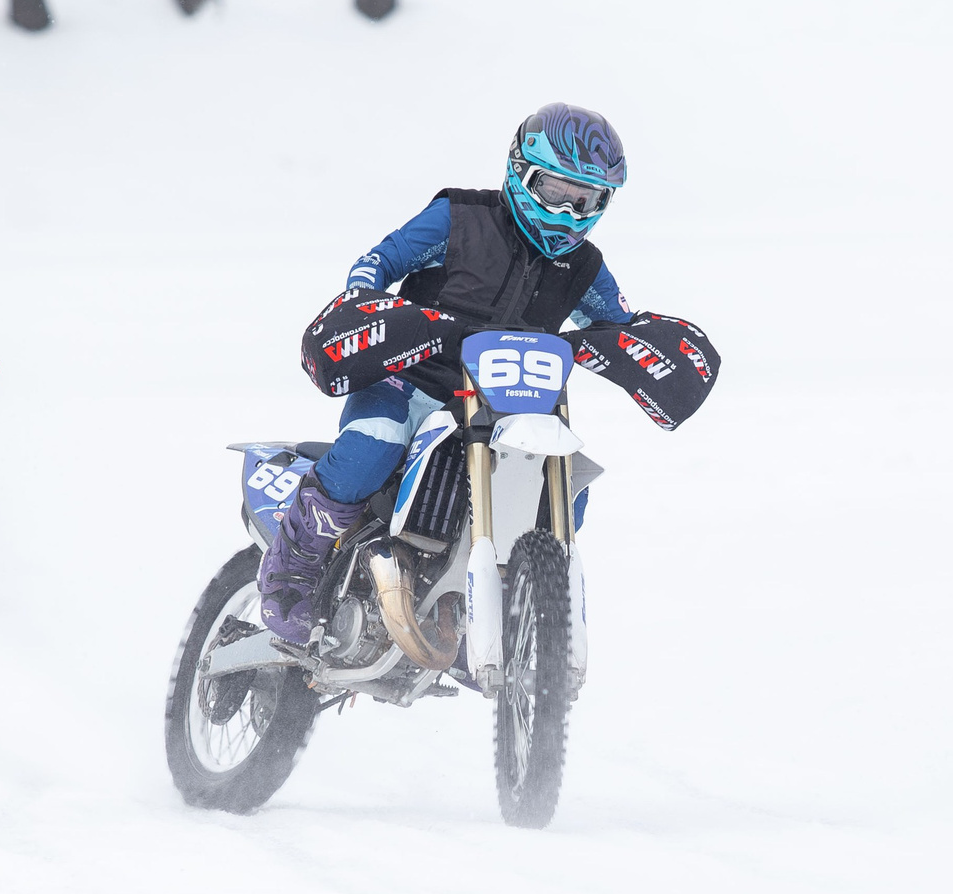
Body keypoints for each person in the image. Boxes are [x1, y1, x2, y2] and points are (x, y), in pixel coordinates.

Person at [257, 103, 670, 644]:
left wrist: (646, 345)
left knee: (567, 486)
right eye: (556, 192)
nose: (569, 213)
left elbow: (619, 321)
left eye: (585, 200)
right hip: (409, 380)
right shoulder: (460, 218)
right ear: (521, 173)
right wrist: (366, 301)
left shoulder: (584, 266)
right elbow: (380, 261)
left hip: (506, 404)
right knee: (371, 445)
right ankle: (292, 570)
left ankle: (517, 616)